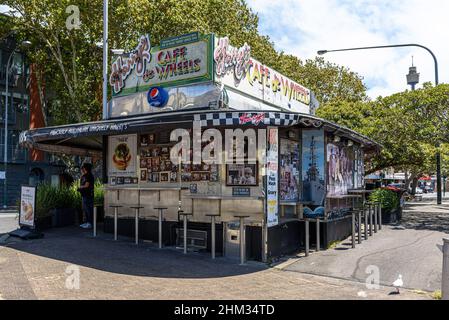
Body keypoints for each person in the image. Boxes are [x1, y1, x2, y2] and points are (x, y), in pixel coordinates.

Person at [78, 163, 95, 229]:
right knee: (85, 209)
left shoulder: (89, 175)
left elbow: (87, 185)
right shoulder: (84, 175)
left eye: (83, 168)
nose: (82, 169)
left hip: (88, 195)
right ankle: (87, 222)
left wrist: (80, 187)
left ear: (86, 168)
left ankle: (90, 223)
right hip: (84, 194)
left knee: (88, 209)